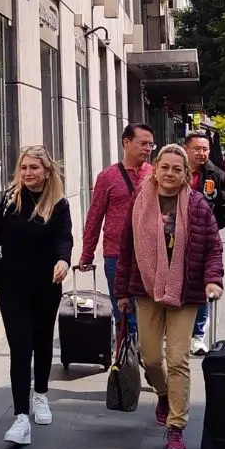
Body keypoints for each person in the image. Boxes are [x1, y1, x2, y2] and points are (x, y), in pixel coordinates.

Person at [114, 144, 224, 449]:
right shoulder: (139, 202)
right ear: (156, 168)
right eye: (165, 167)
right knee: (150, 359)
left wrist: (213, 279)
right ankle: (163, 393)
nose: (170, 174)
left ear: (185, 173)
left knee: (177, 359)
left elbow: (214, 249)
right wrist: (122, 292)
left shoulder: (199, 205)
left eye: (177, 169)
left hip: (185, 293)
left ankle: (176, 426)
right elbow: (126, 250)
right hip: (146, 290)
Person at [0, 145, 72, 446]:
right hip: (13, 286)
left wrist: (63, 260)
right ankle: (20, 418)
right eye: (24, 168)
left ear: (46, 171)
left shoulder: (59, 203)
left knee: (42, 343)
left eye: (34, 168)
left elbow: (64, 237)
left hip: (45, 285)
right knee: (20, 346)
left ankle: (40, 395)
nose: (28, 173)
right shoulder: (10, 199)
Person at [79, 123, 155, 340]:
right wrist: (87, 254)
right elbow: (94, 218)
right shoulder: (108, 177)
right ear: (126, 143)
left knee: (146, 306)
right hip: (116, 253)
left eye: (150, 144)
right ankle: (125, 353)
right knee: (121, 304)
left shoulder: (155, 174)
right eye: (143, 143)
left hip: (149, 253)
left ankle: (142, 346)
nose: (148, 148)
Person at [183, 132, 225, 355]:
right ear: (186, 149)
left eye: (205, 149)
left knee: (203, 288)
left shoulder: (217, 176)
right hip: (172, 240)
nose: (201, 153)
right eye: (196, 148)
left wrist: (211, 227)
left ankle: (197, 335)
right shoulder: (174, 170)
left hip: (203, 242)